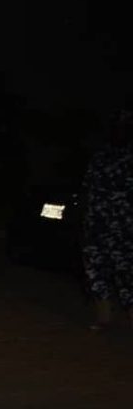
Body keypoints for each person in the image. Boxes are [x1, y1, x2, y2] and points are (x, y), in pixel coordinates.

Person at [81, 106, 133, 331]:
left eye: (124, 126)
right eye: (116, 126)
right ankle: (104, 318)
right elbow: (88, 188)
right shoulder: (101, 156)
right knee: (96, 272)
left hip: (125, 227)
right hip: (98, 225)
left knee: (127, 274)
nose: (119, 131)